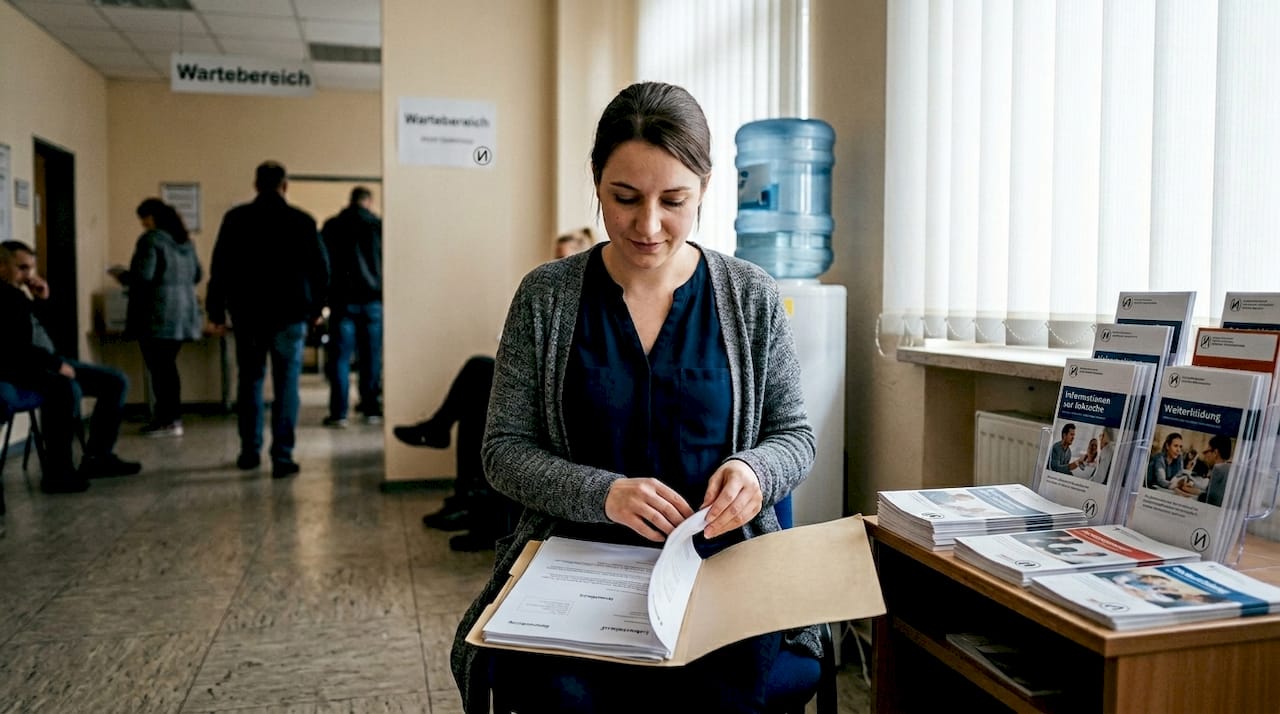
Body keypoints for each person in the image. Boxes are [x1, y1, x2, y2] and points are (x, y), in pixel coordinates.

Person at [450, 82, 819, 713]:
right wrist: (603, 494)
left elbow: (796, 437)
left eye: (673, 201)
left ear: (705, 189)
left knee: (720, 693)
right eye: (625, 199)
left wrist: (755, 470)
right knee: (566, 698)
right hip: (575, 569)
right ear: (596, 184)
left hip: (717, 569)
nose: (648, 226)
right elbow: (503, 452)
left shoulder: (751, 297)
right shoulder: (547, 297)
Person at [396, 226, 596, 552]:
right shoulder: (545, 298)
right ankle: (467, 498)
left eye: (566, 257)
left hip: (555, 404)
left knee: (478, 378)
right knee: (480, 402)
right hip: (538, 391)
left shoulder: (586, 304)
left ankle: (458, 477)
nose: (558, 265)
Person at [205, 161, 329, 478]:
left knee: (250, 381)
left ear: (256, 185)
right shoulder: (302, 221)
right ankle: (282, 456)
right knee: (287, 385)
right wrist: (318, 310)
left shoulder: (235, 219)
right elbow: (320, 270)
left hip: (247, 315)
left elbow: (220, 267)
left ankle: (249, 450)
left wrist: (216, 311)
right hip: (290, 316)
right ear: (284, 185)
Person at [0, 241, 141, 492]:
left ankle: (98, 457)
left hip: (48, 359)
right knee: (65, 389)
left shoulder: (20, 296)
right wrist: (56, 365)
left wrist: (43, 301)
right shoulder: (4, 298)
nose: (28, 275)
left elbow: (49, 334)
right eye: (22, 268)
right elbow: (15, 348)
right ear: (1, 267)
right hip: (22, 367)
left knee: (115, 381)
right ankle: (58, 473)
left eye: (31, 268)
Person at [109, 198, 203, 437]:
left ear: (151, 218)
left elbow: (144, 276)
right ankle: (172, 418)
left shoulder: (151, 240)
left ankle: (167, 420)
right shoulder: (186, 243)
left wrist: (122, 276)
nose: (142, 224)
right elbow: (198, 275)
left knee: (161, 370)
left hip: (158, 315)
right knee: (168, 368)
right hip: (184, 314)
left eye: (143, 219)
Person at [321, 186, 384, 428]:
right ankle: (370, 408)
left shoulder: (332, 226)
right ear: (368, 202)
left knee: (339, 359)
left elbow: (323, 265)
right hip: (372, 302)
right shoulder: (378, 226)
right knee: (371, 358)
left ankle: (339, 413)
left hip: (341, 302)